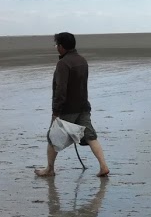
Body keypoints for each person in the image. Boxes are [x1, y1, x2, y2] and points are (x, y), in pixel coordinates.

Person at [35, 32, 110, 178]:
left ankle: (49, 169)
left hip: (68, 108)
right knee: (90, 136)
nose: (56, 47)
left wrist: (56, 111)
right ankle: (103, 166)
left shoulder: (63, 63)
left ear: (61, 46)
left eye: (57, 44)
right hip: (83, 106)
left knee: (52, 137)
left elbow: (61, 89)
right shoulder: (82, 60)